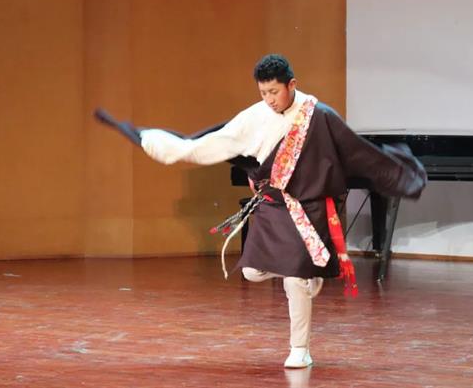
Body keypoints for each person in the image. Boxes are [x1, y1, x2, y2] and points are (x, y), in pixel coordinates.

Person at [140, 54, 427, 368]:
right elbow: (218, 142)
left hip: (309, 207)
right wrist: (173, 149)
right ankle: (307, 273)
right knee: (252, 271)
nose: (269, 99)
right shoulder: (255, 115)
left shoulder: (318, 115)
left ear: (292, 85)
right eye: (263, 93)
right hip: (273, 206)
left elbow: (358, 153)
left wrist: (402, 176)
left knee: (294, 279)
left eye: (274, 92)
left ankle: (300, 348)